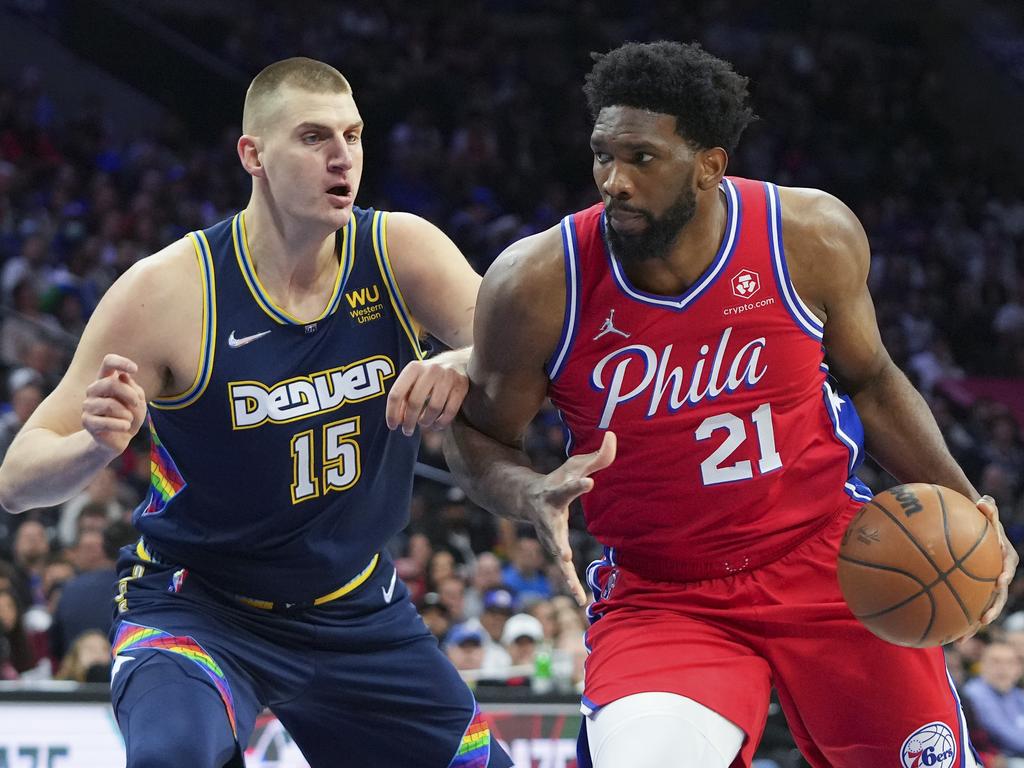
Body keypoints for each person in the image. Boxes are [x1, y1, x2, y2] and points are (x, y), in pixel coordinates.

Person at [444, 41, 1019, 768]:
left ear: (710, 165)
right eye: (601, 155)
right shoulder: (535, 284)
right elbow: (478, 437)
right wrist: (530, 490)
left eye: (642, 159)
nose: (613, 181)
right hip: (665, 593)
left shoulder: (807, 235)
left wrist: (969, 508)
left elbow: (873, 382)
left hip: (833, 559)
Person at [0, 57, 510, 768]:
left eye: (354, 135)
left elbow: (513, 351)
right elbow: (16, 478)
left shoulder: (398, 250)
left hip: (352, 604)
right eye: (313, 137)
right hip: (199, 605)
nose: (342, 157)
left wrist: (458, 361)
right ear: (253, 154)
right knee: (175, 756)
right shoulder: (169, 291)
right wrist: (90, 446)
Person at [963, 641, 1024, 761]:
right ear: (982, 665)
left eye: (1010, 662)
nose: (1003, 668)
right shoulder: (974, 693)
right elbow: (1001, 732)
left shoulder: (1016, 694)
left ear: (1019, 669)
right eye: (995, 662)